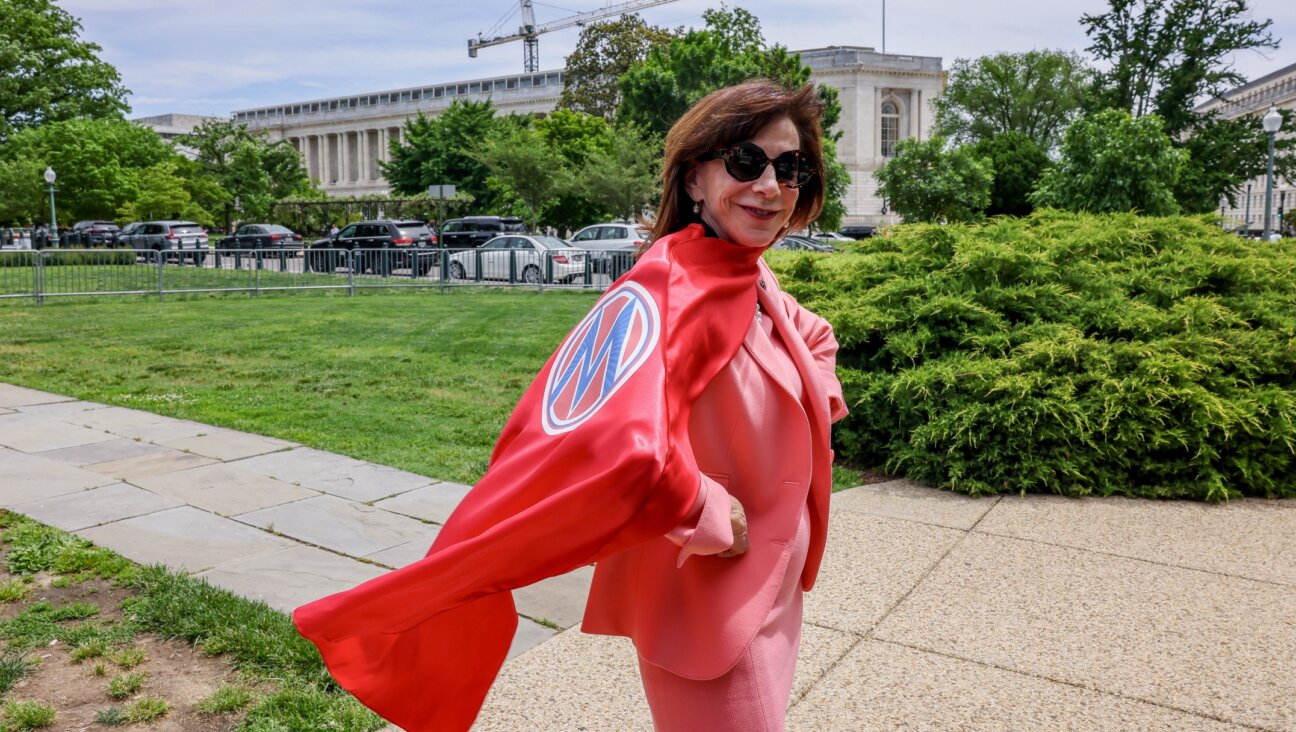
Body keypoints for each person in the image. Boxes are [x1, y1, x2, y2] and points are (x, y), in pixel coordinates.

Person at [292, 79, 846, 732]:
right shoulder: (669, 285)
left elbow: (805, 330)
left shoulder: (743, 273)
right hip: (709, 600)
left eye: (790, 168)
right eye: (747, 162)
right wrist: (704, 510)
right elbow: (610, 437)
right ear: (695, 180)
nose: (770, 185)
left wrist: (817, 379)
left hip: (772, 592)